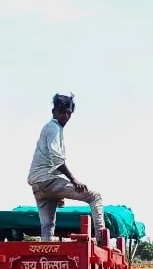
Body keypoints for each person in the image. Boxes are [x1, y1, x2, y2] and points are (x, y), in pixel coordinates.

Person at [27, 93, 105, 241]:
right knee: (95, 197)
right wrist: (73, 179)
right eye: (62, 112)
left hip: (38, 185)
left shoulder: (51, 128)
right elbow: (57, 158)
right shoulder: (53, 128)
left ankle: (46, 258)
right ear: (54, 112)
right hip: (48, 181)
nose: (66, 116)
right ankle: (102, 240)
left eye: (68, 112)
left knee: (48, 226)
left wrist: (59, 193)